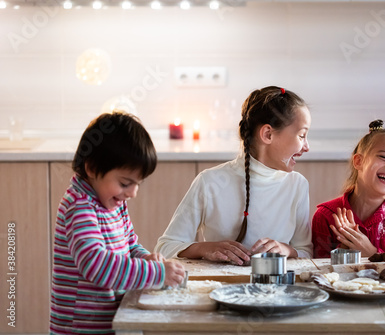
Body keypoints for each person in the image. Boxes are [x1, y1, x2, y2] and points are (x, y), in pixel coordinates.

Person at [50, 111, 185, 335]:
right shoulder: (79, 208)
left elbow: (130, 246)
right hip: (80, 329)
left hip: (109, 322)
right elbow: (97, 264)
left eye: (137, 184)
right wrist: (156, 273)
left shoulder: (113, 203)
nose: (133, 192)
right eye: (125, 183)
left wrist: (145, 257)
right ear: (92, 168)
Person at [155, 86, 313, 265]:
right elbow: (164, 247)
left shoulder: (298, 185)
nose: (307, 146)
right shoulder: (209, 182)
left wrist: (287, 250)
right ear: (268, 134)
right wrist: (205, 248)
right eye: (302, 136)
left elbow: (306, 252)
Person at [312, 119, 385, 258]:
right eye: (384, 157)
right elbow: (317, 272)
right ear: (358, 161)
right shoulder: (325, 216)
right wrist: (346, 247)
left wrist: (372, 254)